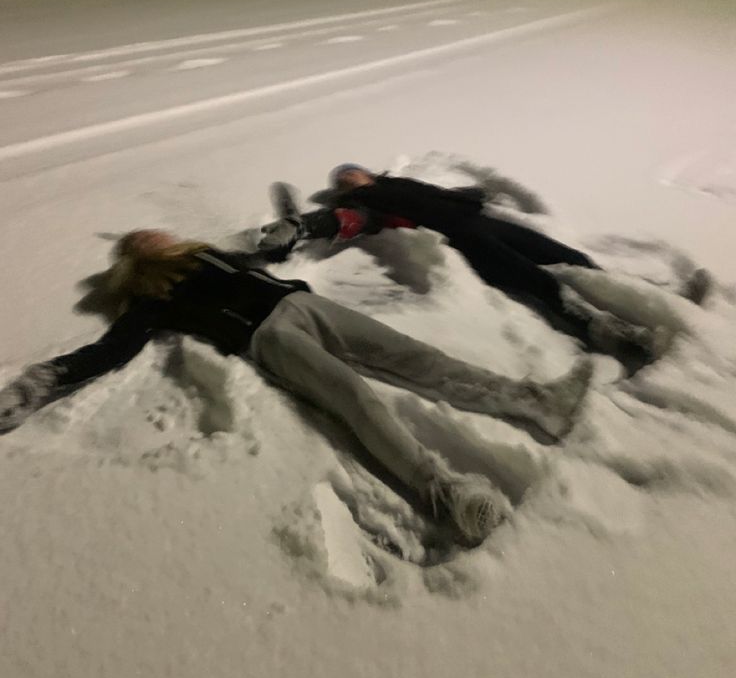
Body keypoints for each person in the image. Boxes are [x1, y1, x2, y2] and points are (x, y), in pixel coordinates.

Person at [0, 230, 593, 545]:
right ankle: (450, 495)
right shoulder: (150, 298)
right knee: (357, 400)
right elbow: (108, 350)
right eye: (140, 240)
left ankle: (536, 402)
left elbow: (267, 250)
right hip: (268, 341)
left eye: (150, 232)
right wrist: (38, 383)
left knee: (421, 360)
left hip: (304, 305)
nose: (154, 234)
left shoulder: (211, 255)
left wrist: (289, 230)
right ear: (135, 261)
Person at [259, 167, 710, 372]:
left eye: (351, 174)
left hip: (482, 221)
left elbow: (450, 192)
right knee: (537, 282)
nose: (348, 180)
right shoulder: (366, 203)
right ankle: (608, 331)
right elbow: (346, 222)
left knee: (574, 259)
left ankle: (662, 296)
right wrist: (302, 225)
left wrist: (474, 191)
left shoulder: (400, 182)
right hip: (465, 240)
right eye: (343, 181)